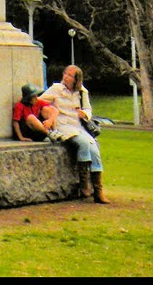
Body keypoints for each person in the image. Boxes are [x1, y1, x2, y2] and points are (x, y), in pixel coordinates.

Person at [40, 65, 110, 203]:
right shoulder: (56, 89)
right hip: (63, 125)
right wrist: (51, 113)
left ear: (76, 79)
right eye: (65, 73)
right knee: (83, 144)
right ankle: (84, 185)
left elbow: (88, 109)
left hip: (78, 125)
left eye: (70, 75)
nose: (66, 76)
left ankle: (98, 190)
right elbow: (41, 101)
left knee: (94, 149)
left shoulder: (82, 92)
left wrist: (84, 114)